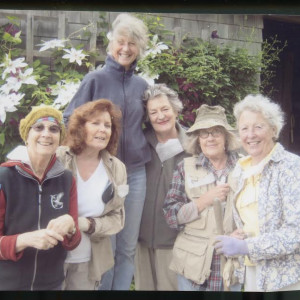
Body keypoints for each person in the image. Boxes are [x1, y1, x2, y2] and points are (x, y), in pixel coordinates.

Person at [63, 12, 151, 290]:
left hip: (135, 174)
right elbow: (70, 117)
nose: (126, 48)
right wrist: (86, 150)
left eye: (132, 44)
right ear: (111, 44)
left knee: (127, 247)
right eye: (121, 42)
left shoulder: (142, 86)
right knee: (106, 246)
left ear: (140, 49)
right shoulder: (95, 79)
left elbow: (153, 123)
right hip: (105, 172)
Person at [214, 94, 300, 292]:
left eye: (258, 127)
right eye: (244, 128)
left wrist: (247, 247)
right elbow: (249, 221)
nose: (250, 135)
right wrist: (237, 236)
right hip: (252, 271)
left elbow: (296, 233)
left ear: (273, 129)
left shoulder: (291, 167)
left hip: (286, 277)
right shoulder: (240, 169)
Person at [0, 105, 81, 290]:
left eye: (54, 129)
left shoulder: (67, 179)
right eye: (38, 127)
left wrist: (70, 225)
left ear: (60, 138)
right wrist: (24, 240)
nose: (46, 134)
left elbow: (74, 242)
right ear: (26, 135)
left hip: (52, 284)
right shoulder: (4, 177)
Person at [163, 104, 240, 291]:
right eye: (204, 133)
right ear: (198, 139)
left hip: (231, 262)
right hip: (192, 264)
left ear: (226, 137)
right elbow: (171, 216)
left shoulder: (243, 167)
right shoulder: (185, 167)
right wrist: (203, 201)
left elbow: (256, 213)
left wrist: (244, 234)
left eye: (216, 132)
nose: (210, 138)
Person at [56, 99, 128, 290]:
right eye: (95, 123)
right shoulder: (58, 157)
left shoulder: (117, 168)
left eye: (107, 125)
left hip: (88, 261)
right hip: (51, 255)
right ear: (81, 127)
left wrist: (87, 224)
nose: (103, 130)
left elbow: (117, 218)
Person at [134, 84, 188, 291]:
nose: (160, 116)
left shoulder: (193, 146)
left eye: (165, 109)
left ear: (175, 110)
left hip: (176, 241)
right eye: (153, 112)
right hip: (140, 240)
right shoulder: (138, 143)